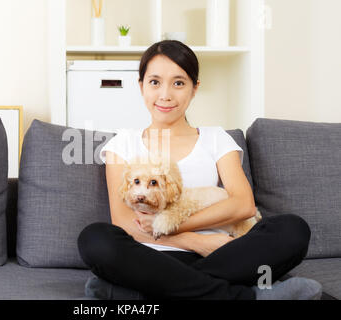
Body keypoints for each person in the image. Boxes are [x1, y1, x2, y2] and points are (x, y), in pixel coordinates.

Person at [77, 40, 322, 300]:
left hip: (225, 256)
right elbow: (125, 223)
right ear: (141, 86)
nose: (165, 95)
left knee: (293, 229)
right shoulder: (123, 143)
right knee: (95, 239)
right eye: (155, 82)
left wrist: (184, 230)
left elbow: (243, 206)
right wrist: (192, 241)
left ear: (195, 89)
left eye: (179, 83)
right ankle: (245, 296)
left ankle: (138, 293)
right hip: (151, 258)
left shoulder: (216, 138)